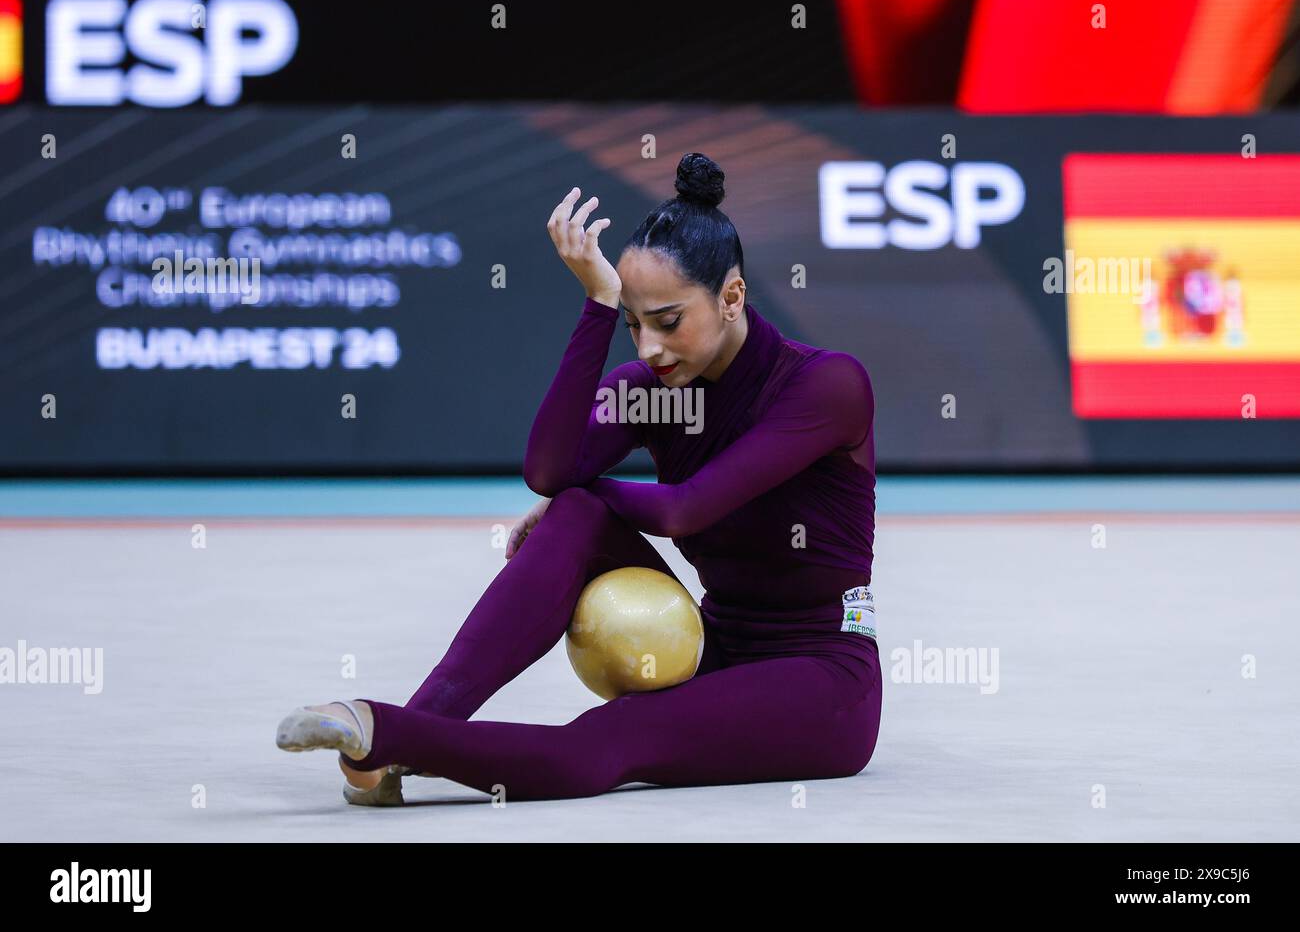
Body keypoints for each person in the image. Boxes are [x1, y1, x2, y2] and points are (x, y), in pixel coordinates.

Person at [277, 152, 881, 804]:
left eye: (668, 320)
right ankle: (420, 727)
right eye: (633, 323)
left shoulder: (826, 384)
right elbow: (548, 471)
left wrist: (587, 491)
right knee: (577, 512)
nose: (648, 347)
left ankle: (386, 732)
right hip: (711, 650)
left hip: (821, 681)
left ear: (731, 296)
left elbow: (685, 510)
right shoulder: (655, 390)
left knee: (616, 733)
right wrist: (597, 303)